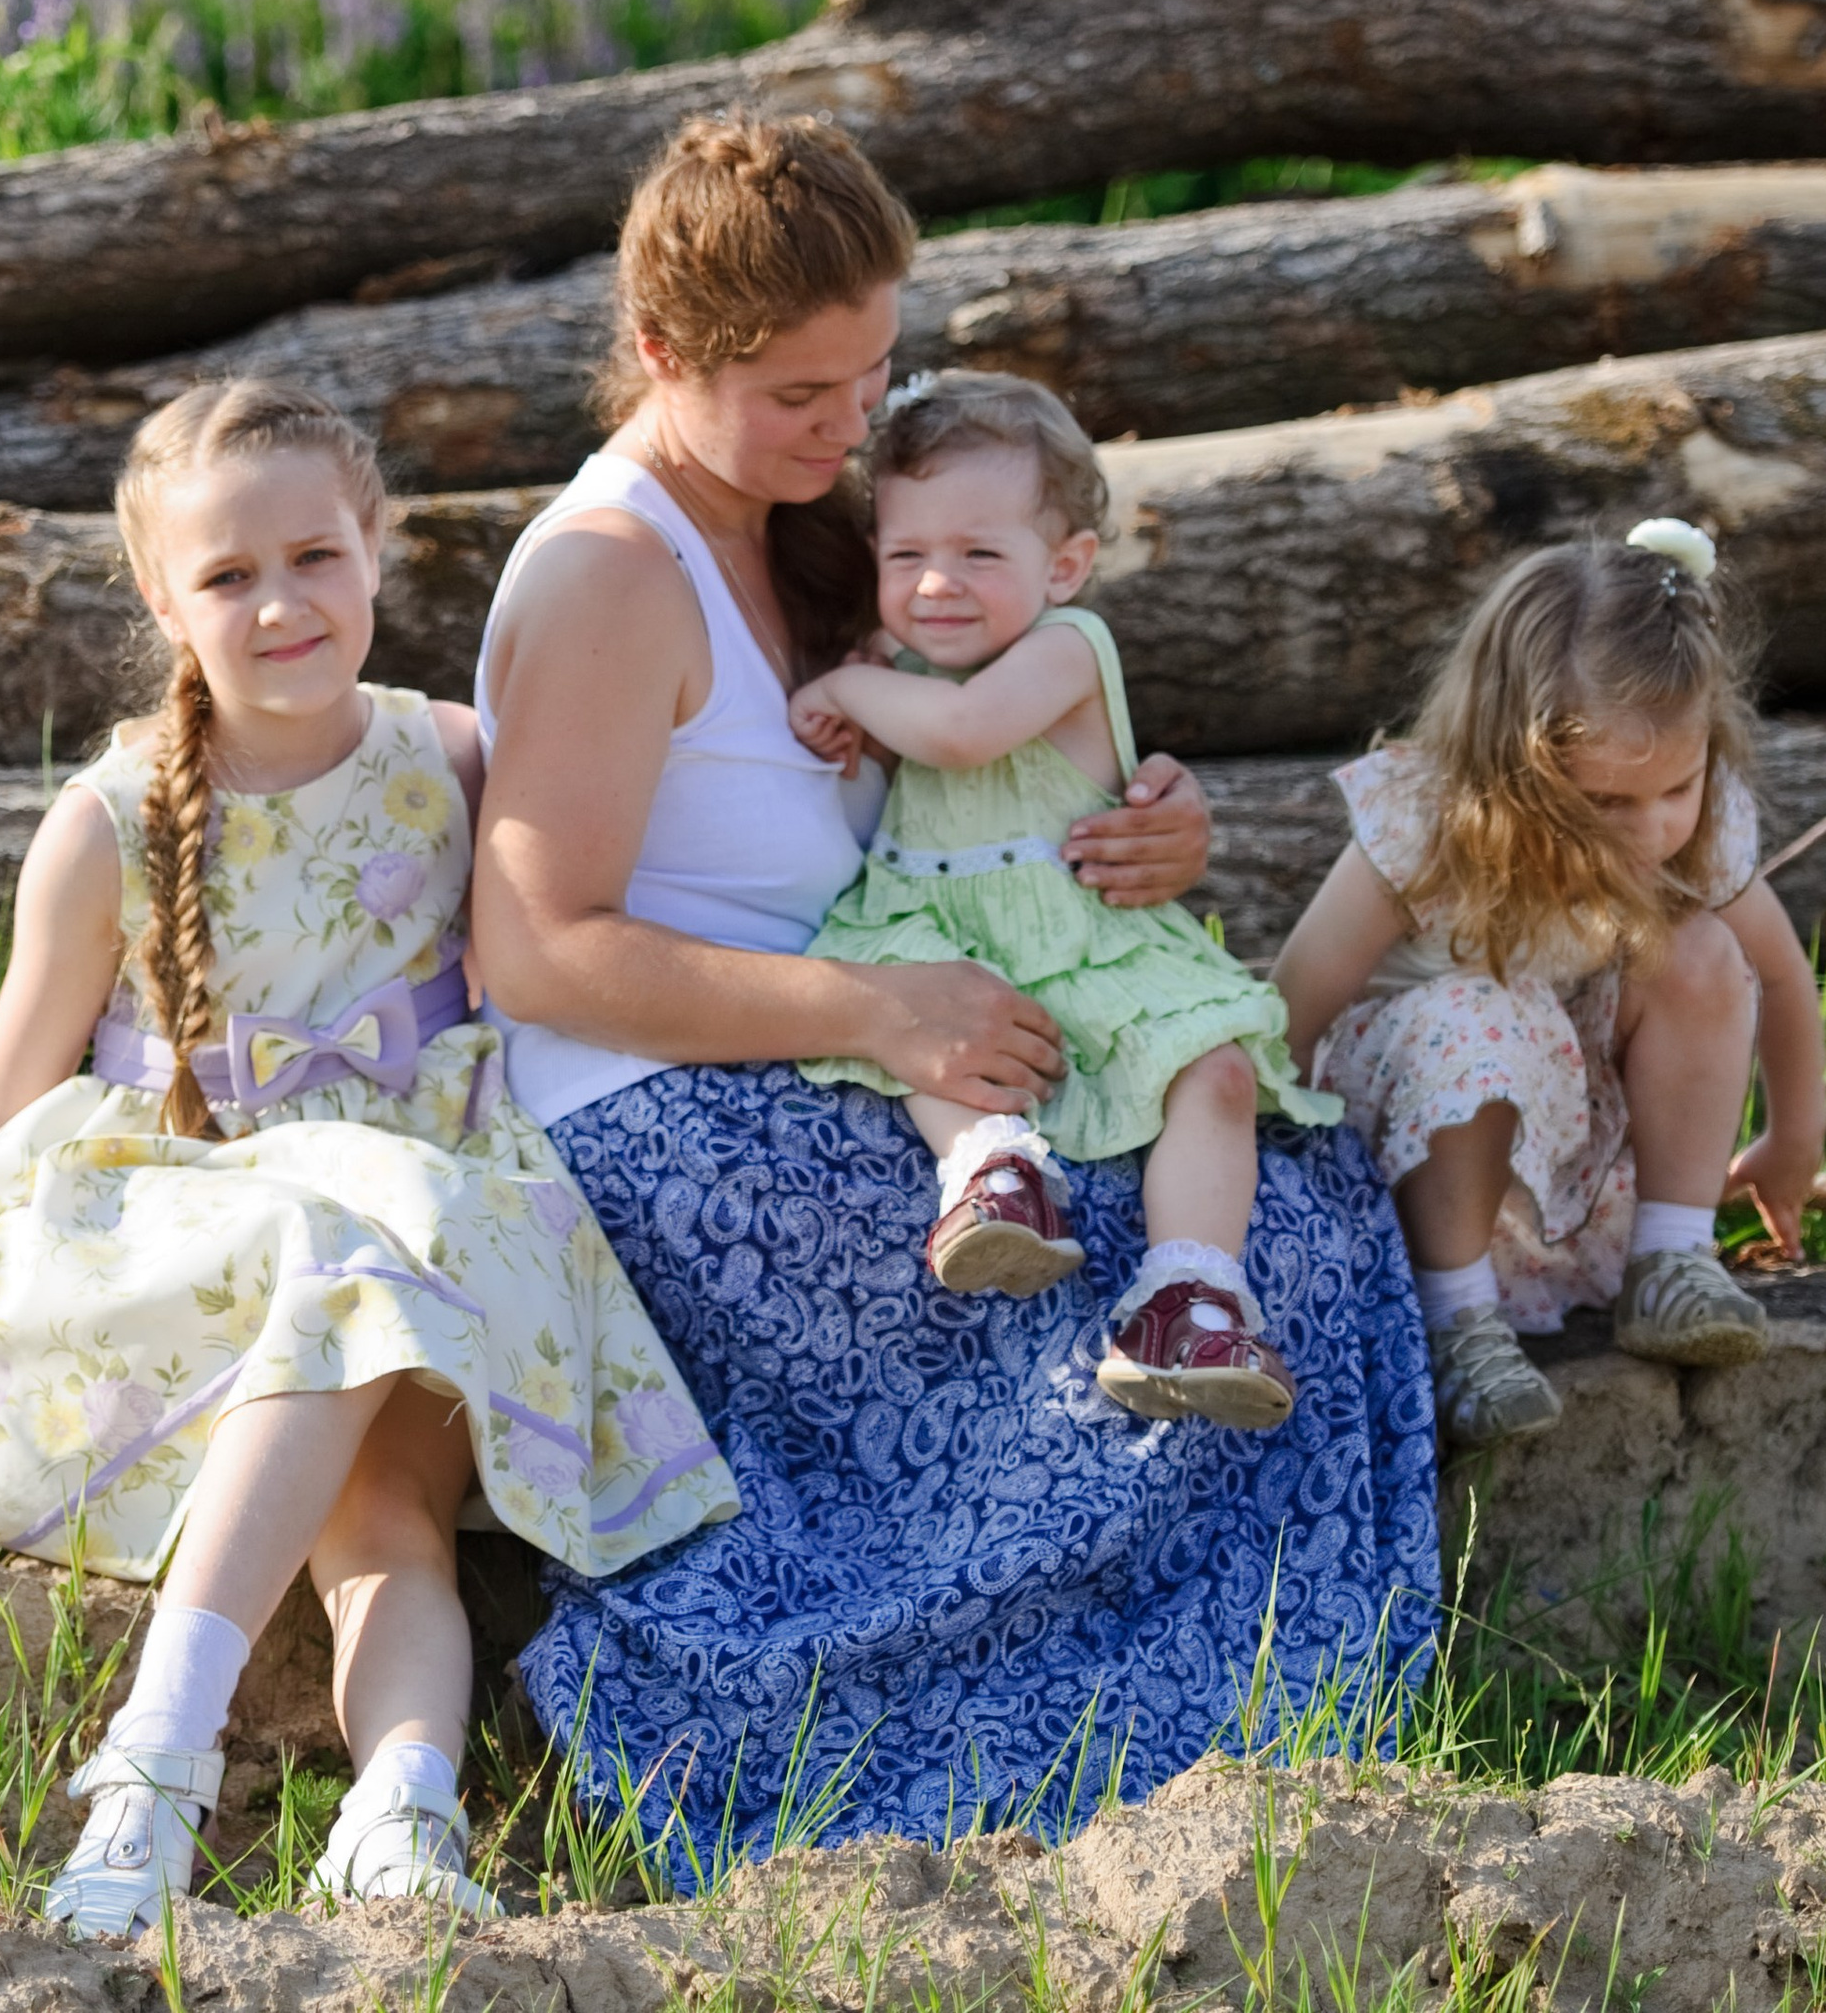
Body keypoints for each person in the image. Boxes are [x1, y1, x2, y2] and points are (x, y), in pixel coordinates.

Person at [0, 379, 734, 1934]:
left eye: (314, 558)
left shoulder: (455, 758)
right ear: (160, 593)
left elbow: (662, 872)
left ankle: (403, 1818)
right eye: (227, 575)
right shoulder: (113, 819)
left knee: (389, 1518)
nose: (281, 604)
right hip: (180, 1229)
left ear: (376, 544)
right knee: (342, 1240)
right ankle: (152, 1769)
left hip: (417, 1228)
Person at [472, 111, 1436, 1861]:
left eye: (871, 377)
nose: (852, 431)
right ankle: (998, 1748)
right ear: (662, 355)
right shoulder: (611, 575)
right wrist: (875, 1012)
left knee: (1273, 1198)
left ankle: (1201, 1727)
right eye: (801, 396)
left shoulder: (804, 517)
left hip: (873, 1034)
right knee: (1182, 1267)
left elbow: (976, 755)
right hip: (671, 1109)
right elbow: (537, 951)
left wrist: (1142, 818)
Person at [791, 370, 1341, 1429]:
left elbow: (962, 733)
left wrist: (846, 690)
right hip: (938, 931)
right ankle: (992, 1173)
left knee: (1215, 1072)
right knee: (927, 1033)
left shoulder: (1065, 647)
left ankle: (1189, 1296)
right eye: (906, 555)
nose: (937, 584)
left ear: (1067, 565)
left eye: (979, 554)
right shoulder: (898, 663)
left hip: (1080, 936)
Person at [1272, 519, 1824, 1450]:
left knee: (1699, 950)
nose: (1652, 829)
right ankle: (1456, 1323)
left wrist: (1794, 1138)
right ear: (1514, 766)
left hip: (1568, 1162)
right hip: (1420, 1157)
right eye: (1606, 801)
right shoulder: (1424, 823)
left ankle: (1670, 1259)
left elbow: (1775, 970)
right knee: (1477, 1013)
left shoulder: (1696, 826)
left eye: (1676, 789)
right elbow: (1292, 1007)